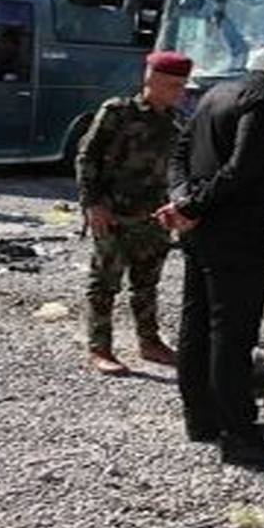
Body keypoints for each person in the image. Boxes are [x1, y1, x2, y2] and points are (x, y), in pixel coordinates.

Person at [155, 37, 264, 467]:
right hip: (236, 231)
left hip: (202, 229)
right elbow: (242, 168)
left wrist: (183, 201)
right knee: (233, 334)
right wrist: (190, 207)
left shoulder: (221, 90)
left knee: (197, 324)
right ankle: (240, 435)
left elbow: (180, 153)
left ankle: (202, 419)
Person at [75, 51, 192, 376]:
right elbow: (87, 157)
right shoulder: (118, 112)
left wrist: (180, 206)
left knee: (147, 282)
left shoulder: (177, 121)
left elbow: (180, 169)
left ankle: (149, 342)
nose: (180, 92)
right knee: (104, 283)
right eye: (174, 85)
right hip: (113, 212)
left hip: (154, 215)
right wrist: (92, 203)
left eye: (183, 86)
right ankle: (100, 347)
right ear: (152, 80)